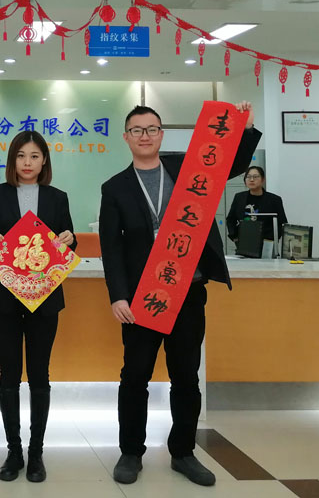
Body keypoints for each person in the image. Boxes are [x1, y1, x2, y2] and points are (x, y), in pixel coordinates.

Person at [98, 102, 260, 487]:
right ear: (126, 137)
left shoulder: (186, 168)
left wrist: (245, 129)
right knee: (135, 376)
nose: (145, 136)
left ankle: (183, 453)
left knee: (186, 377)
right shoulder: (115, 187)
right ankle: (130, 452)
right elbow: (111, 247)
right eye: (137, 130)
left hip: (188, 291)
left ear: (161, 134)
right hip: (142, 298)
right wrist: (118, 296)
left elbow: (230, 164)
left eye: (152, 129)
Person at [0, 130, 75, 483]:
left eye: (34, 156)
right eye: (21, 156)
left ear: (44, 161)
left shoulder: (57, 198)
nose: (27, 163)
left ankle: (36, 452)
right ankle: (14, 451)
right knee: (9, 374)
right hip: (3, 298)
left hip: (44, 299)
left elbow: (67, 240)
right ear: (12, 160)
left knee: (40, 375)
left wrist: (69, 238)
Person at [226, 166, 287, 255]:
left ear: (263, 180)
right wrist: (235, 237)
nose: (251, 180)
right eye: (248, 177)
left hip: (267, 246)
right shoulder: (239, 197)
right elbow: (230, 219)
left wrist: (272, 240)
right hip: (244, 244)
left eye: (255, 177)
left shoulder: (274, 200)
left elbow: (282, 223)